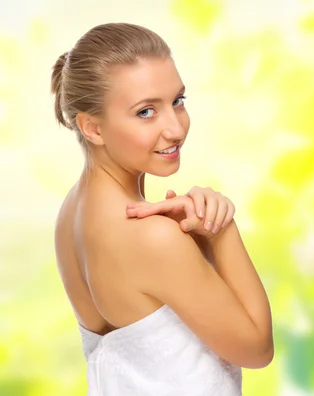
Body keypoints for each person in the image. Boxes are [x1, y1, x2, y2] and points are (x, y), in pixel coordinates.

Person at [52, 22, 274, 396]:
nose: (175, 128)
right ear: (92, 128)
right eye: (145, 112)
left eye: (178, 101)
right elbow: (257, 349)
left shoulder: (71, 213)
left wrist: (196, 242)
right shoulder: (153, 236)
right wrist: (221, 231)